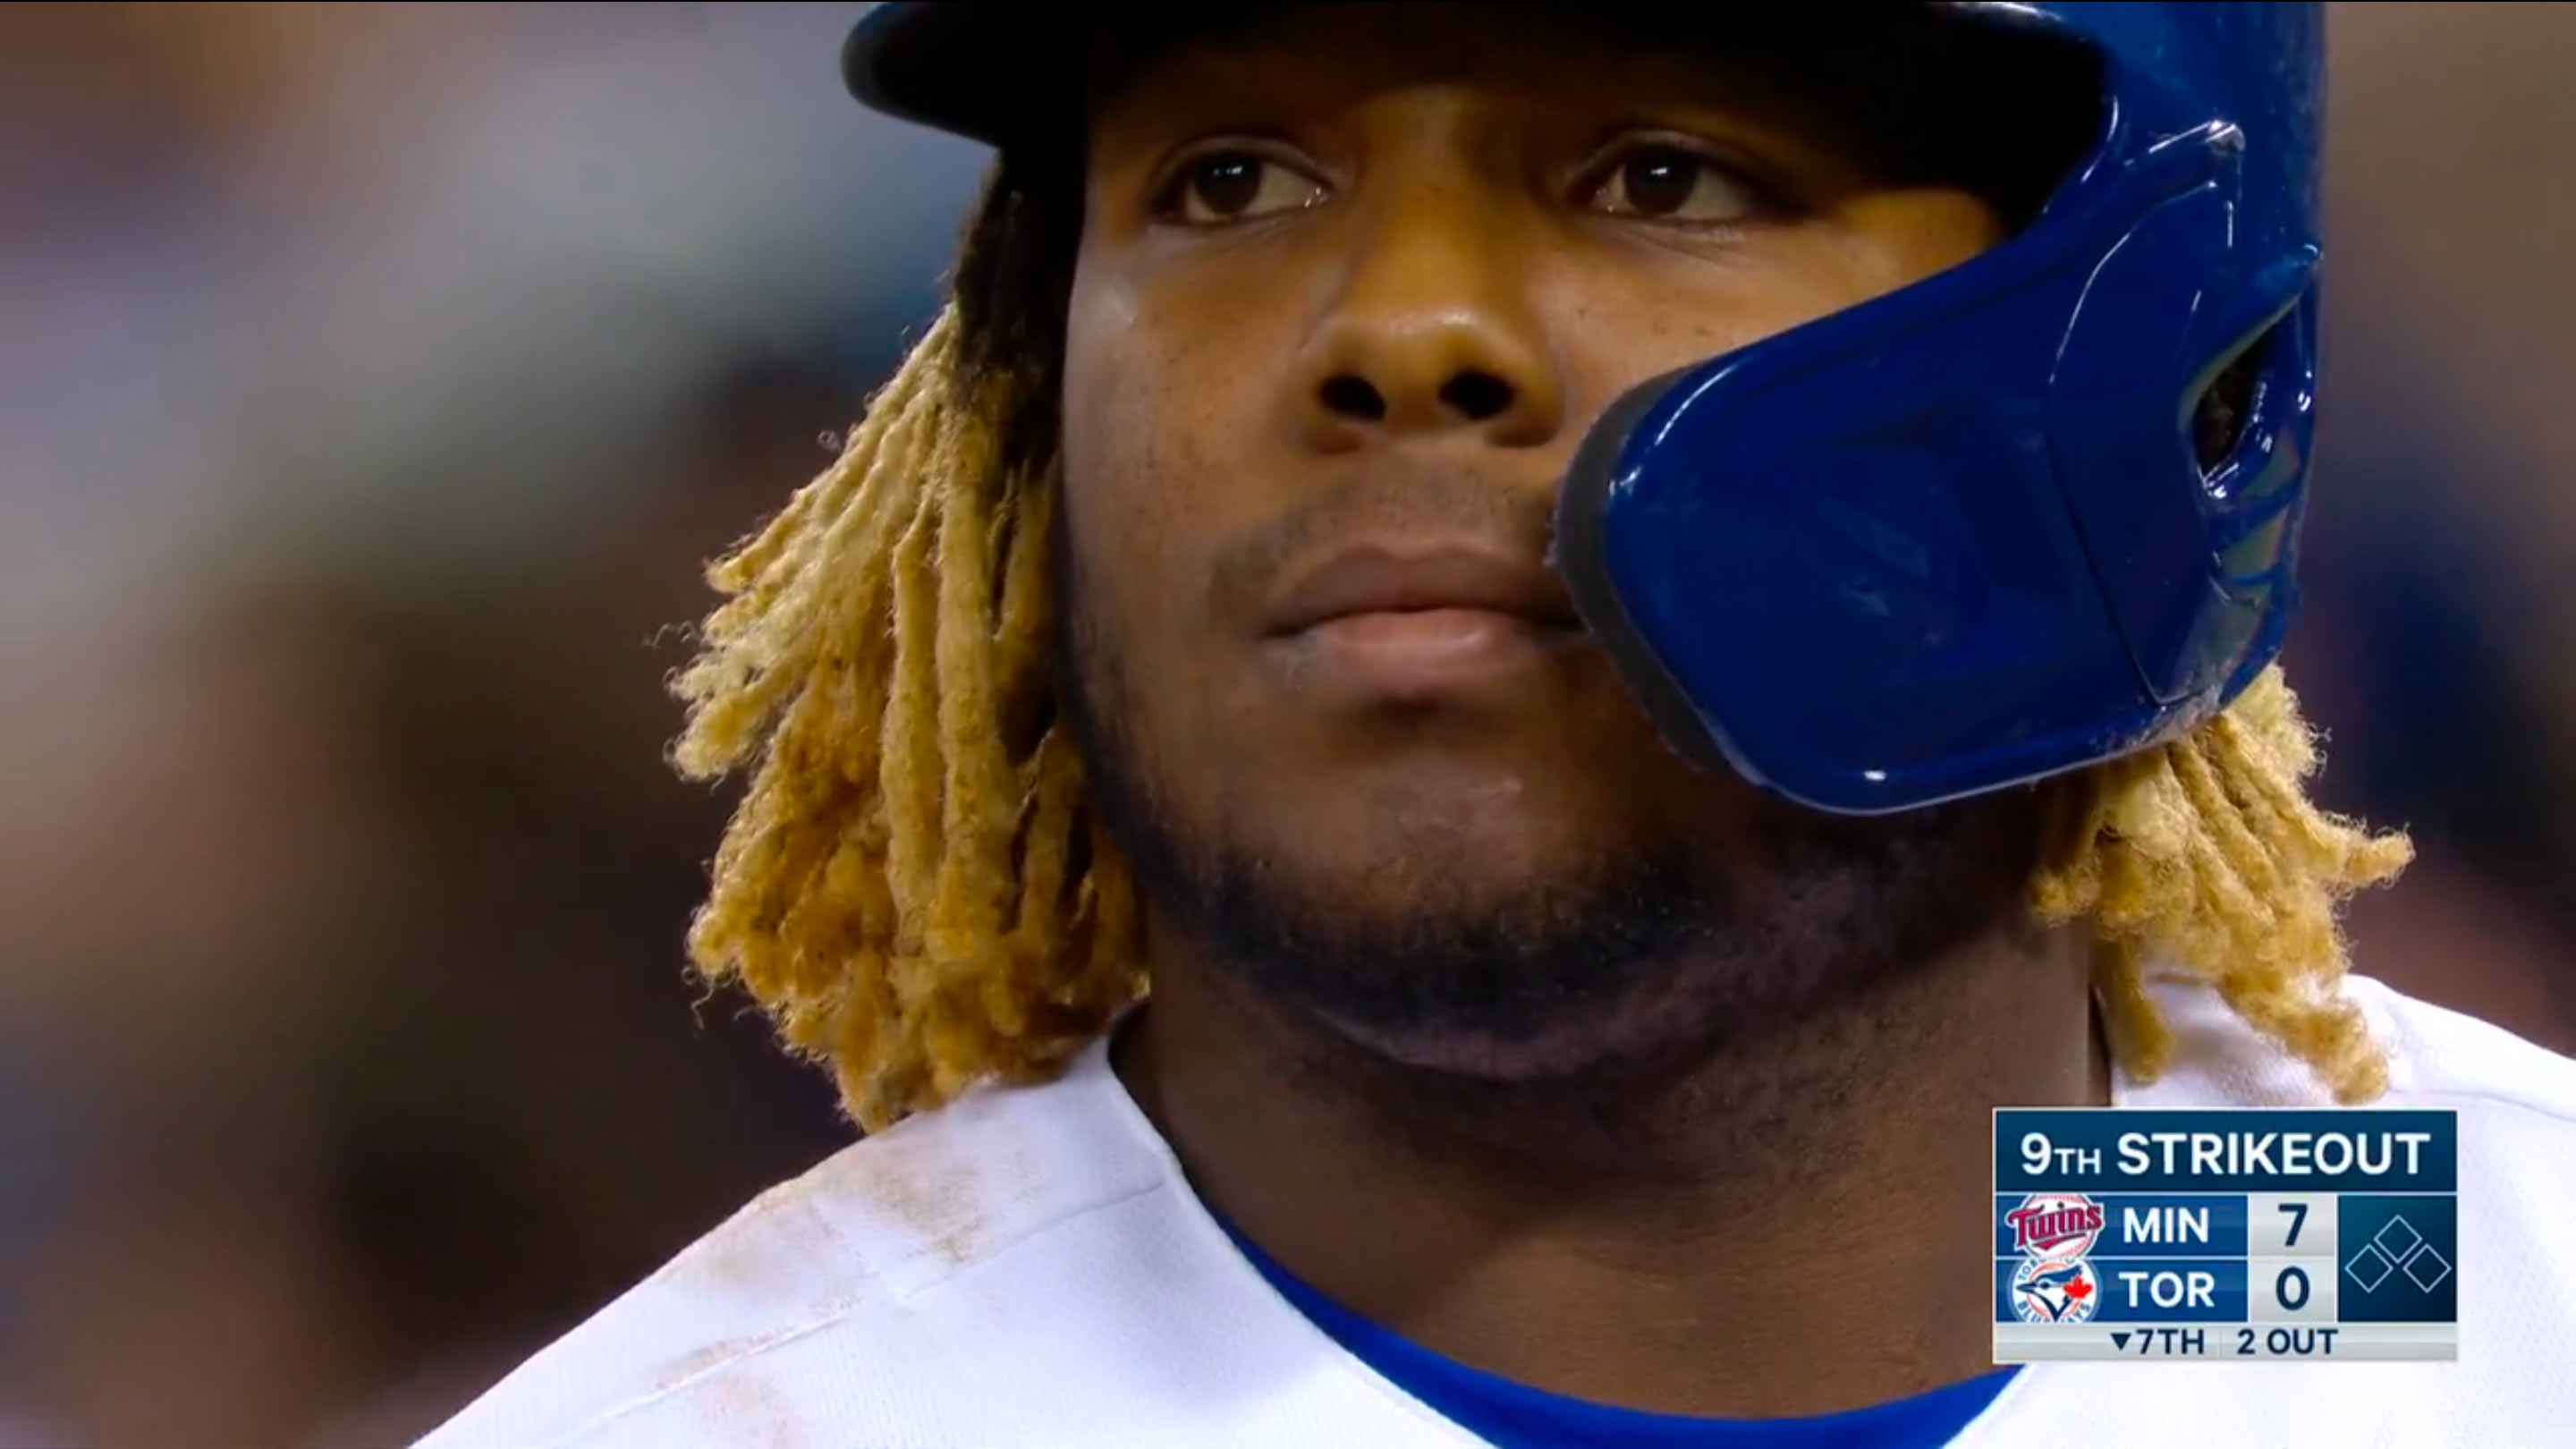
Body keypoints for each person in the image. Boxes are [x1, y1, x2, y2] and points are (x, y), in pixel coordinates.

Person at [420, 4, 2576, 1445]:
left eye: (1659, 172)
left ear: (2156, 363)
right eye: (1235, 183)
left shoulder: (2469, 1287)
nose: (1400, 329)